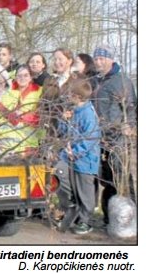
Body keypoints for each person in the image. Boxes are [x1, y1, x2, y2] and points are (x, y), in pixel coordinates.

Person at [91, 44, 137, 227]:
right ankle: (109, 219)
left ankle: (133, 218)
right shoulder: (95, 81)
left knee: (122, 177)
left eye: (102, 58)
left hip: (117, 137)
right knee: (107, 180)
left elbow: (131, 107)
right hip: (99, 138)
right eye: (96, 59)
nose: (99, 62)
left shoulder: (121, 81)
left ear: (111, 59)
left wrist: (130, 126)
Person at [56, 79, 101, 235]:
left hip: (85, 160)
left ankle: (85, 220)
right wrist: (64, 119)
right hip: (69, 156)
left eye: (70, 93)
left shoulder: (88, 114)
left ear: (77, 96)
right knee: (61, 177)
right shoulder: (73, 110)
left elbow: (91, 138)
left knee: (84, 191)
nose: (67, 96)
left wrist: (76, 152)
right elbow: (62, 131)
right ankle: (70, 207)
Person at [0, 65, 42, 156]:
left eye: (25, 75)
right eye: (19, 76)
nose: (22, 78)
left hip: (29, 143)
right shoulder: (8, 91)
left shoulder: (39, 91)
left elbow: (40, 115)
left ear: (31, 77)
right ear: (15, 77)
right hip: (8, 145)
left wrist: (23, 116)